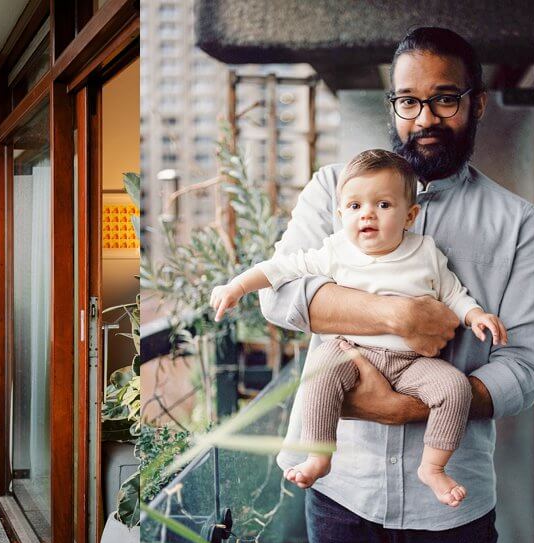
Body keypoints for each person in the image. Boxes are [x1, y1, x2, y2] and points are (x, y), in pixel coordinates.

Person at [259, 28, 534, 543]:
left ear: (478, 101)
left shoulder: (517, 224)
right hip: (343, 488)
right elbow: (279, 294)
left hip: (453, 506)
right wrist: (395, 317)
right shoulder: (333, 191)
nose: (425, 118)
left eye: (445, 98)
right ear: (393, 102)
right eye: (408, 101)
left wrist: (407, 408)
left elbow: (523, 369)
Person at [212, 149, 507, 507]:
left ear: (410, 216)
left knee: (456, 388)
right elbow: (280, 269)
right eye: (354, 207)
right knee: (319, 372)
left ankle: (433, 467)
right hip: (351, 351)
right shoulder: (336, 251)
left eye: (383, 205)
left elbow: (453, 293)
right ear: (340, 215)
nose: (367, 213)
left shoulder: (426, 251)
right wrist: (237, 287)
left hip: (412, 362)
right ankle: (319, 455)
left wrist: (475, 315)